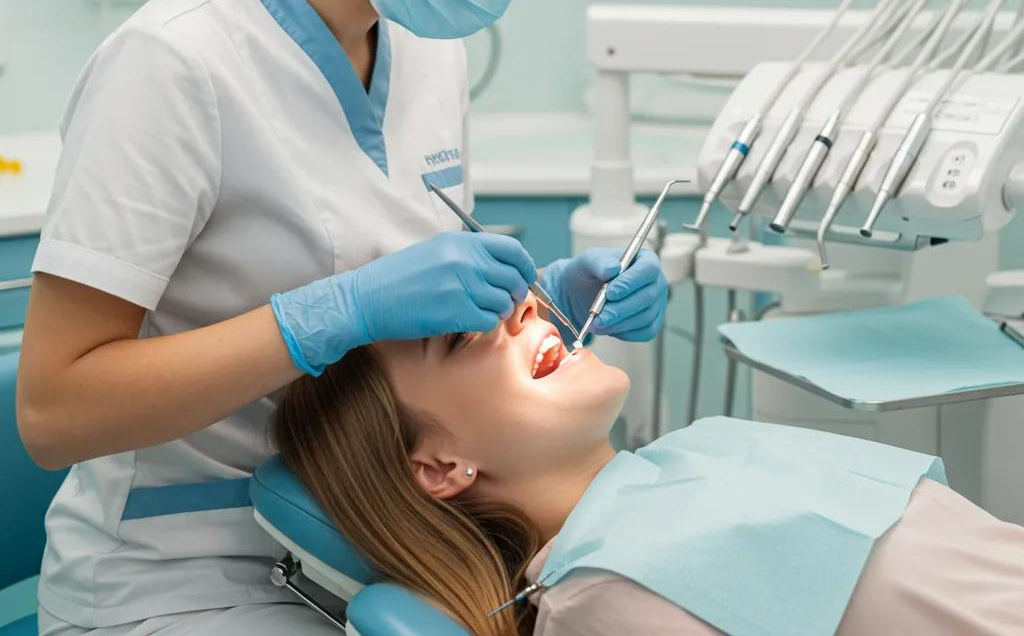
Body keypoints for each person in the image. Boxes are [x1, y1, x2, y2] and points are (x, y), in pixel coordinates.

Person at [16, 0, 668, 636]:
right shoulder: (175, 64)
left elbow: (410, 361)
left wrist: (556, 304)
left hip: (378, 552)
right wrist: (330, 315)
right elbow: (55, 410)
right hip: (179, 575)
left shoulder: (425, 49)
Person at [273, 293, 1024, 636]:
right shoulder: (599, 599)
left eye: (508, 296)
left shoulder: (701, 446)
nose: (523, 309)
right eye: (462, 341)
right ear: (439, 467)